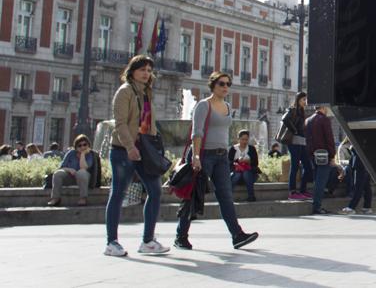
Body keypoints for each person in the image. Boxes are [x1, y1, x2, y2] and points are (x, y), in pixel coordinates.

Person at [176, 72, 260, 250]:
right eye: (221, 83)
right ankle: (180, 236)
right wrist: (196, 156)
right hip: (204, 154)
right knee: (193, 195)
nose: (225, 87)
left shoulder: (227, 106)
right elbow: (196, 132)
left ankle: (237, 235)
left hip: (222, 156)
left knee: (226, 196)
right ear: (213, 85)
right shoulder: (203, 105)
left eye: (228, 84)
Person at [104, 55, 170, 257]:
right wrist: (130, 147)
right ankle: (112, 243)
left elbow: (148, 123)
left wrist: (154, 146)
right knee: (118, 193)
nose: (146, 73)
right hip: (124, 150)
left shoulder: (146, 93)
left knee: (155, 191)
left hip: (144, 151)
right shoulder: (124, 92)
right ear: (132, 71)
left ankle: (148, 241)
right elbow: (120, 123)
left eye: (149, 70)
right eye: (142, 69)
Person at [48, 135, 101, 207]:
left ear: (88, 145)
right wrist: (69, 169)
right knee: (58, 174)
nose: (82, 147)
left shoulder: (90, 154)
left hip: (85, 179)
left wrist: (82, 154)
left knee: (81, 172)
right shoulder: (71, 153)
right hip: (71, 177)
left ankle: (83, 198)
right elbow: (62, 167)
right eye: (79, 145)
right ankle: (55, 198)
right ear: (76, 147)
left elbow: (84, 167)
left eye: (85, 145)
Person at [305, 103, 337, 214]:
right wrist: (332, 155)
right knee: (321, 182)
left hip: (312, 154)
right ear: (323, 108)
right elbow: (329, 139)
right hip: (324, 155)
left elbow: (307, 139)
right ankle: (317, 207)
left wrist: (310, 153)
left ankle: (316, 205)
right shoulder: (324, 120)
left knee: (316, 180)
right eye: (327, 108)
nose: (327, 110)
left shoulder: (308, 120)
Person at [281, 92, 312, 201]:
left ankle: (303, 190)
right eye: (303, 99)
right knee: (294, 166)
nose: (305, 101)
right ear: (298, 100)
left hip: (302, 141)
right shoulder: (293, 109)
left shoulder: (302, 111)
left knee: (307, 166)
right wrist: (294, 130)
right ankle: (292, 192)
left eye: (306, 99)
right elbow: (284, 119)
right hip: (294, 141)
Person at [340, 146, 374, 215]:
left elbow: (357, 151)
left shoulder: (360, 140)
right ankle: (367, 207)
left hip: (360, 164)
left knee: (358, 186)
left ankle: (351, 207)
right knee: (366, 186)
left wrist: (352, 148)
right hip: (365, 164)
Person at [229, 129, 260, 202]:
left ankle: (251, 196)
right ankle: (228, 197)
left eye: (246, 139)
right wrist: (237, 161)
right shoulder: (233, 149)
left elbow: (256, 163)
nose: (244, 141)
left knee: (246, 173)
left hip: (249, 175)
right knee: (238, 175)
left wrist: (249, 161)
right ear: (238, 139)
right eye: (242, 139)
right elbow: (228, 163)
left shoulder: (251, 149)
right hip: (236, 174)